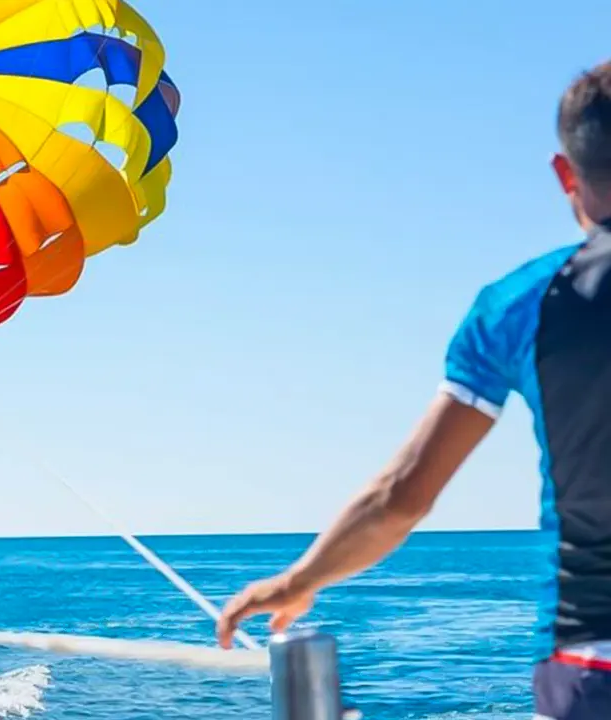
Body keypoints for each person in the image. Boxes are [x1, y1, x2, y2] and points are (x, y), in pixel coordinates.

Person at [215, 61, 611, 720]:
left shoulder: (519, 306)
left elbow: (403, 493)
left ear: (564, 175)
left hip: (590, 666)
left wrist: (296, 581)